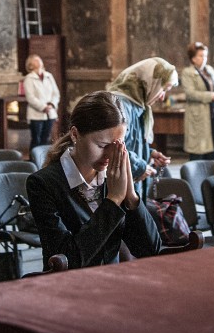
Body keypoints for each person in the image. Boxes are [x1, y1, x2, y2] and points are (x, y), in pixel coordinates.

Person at [26, 90, 163, 268]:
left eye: (117, 146)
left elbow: (150, 250)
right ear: (75, 134)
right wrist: (113, 200)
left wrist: (131, 196)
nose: (109, 155)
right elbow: (68, 260)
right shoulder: (42, 184)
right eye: (102, 145)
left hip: (111, 284)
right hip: (68, 287)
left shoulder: (112, 179)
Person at [105, 57, 179, 200]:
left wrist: (149, 153)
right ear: (150, 83)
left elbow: (131, 142)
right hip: (119, 189)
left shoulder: (138, 104)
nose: (162, 97)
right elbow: (113, 146)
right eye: (163, 89)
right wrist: (140, 166)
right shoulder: (120, 105)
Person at [22, 53, 60, 151]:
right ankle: (34, 161)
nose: (39, 61)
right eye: (35, 60)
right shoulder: (29, 78)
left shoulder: (48, 76)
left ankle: (44, 160)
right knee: (36, 139)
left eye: (39, 59)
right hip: (36, 114)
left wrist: (51, 104)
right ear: (30, 64)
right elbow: (30, 97)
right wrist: (43, 107)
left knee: (46, 139)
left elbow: (56, 93)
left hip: (50, 113)